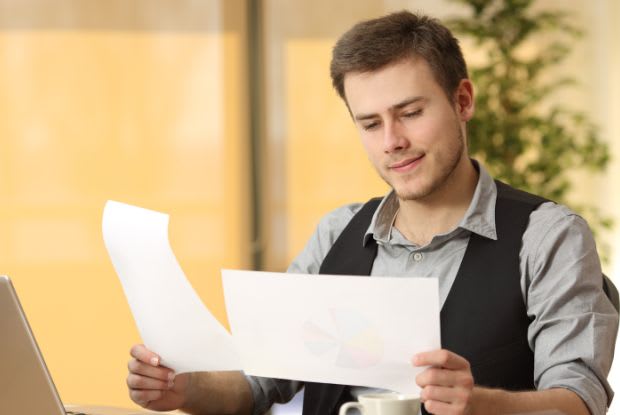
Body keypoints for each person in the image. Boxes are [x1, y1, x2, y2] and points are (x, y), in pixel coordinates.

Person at [125, 11, 618, 415]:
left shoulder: (548, 237)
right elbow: (260, 382)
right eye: (370, 123)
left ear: (462, 101)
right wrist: (182, 391)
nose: (392, 142)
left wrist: (480, 404)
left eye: (410, 112)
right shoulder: (337, 231)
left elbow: (579, 401)